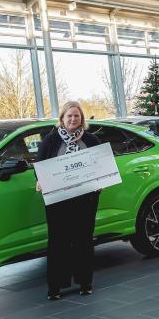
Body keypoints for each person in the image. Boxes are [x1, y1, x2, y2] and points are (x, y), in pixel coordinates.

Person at [35, 101, 102, 300]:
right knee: (58, 242)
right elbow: (40, 165)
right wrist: (39, 180)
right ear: (62, 119)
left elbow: (101, 166)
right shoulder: (50, 140)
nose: (73, 119)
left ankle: (85, 282)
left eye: (77, 116)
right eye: (69, 116)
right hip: (58, 200)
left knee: (83, 240)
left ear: (82, 118)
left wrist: (101, 180)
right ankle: (55, 286)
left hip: (85, 198)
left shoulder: (91, 140)